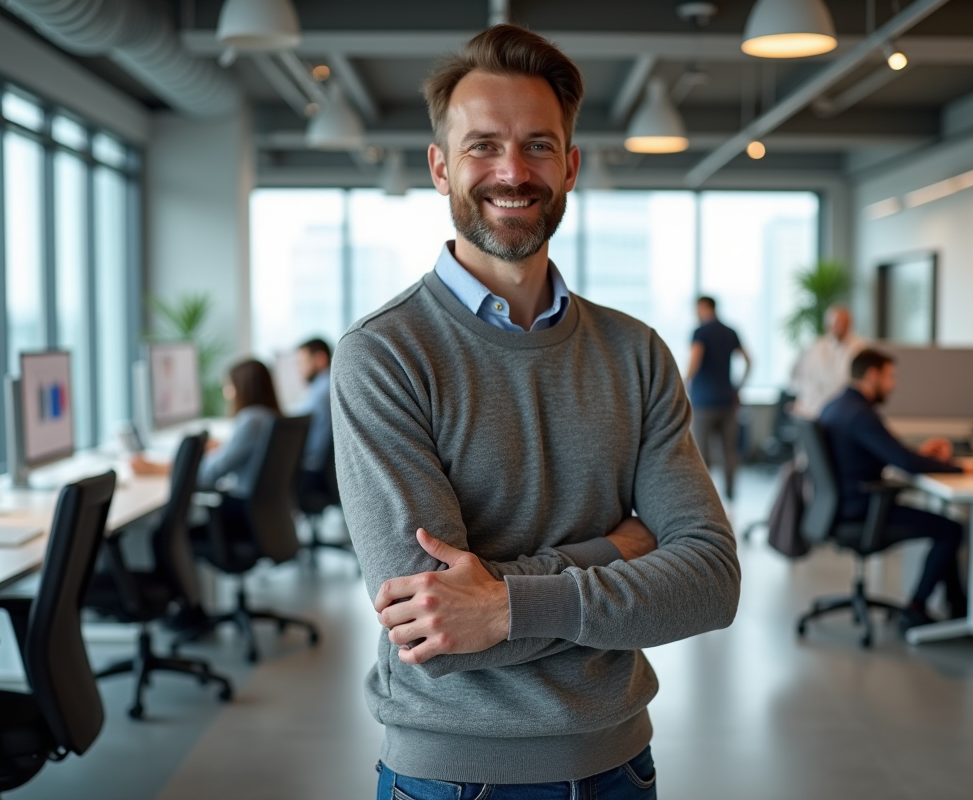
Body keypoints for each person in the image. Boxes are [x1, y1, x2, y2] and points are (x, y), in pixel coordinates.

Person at [330, 25, 739, 799]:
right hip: (451, 778)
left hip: (621, 766)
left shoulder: (636, 352)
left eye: (538, 147)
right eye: (482, 146)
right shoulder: (384, 354)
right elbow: (438, 634)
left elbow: (711, 581)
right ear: (440, 167)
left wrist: (502, 601)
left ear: (572, 166)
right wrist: (619, 549)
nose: (512, 172)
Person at [819, 348, 973, 631]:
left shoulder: (836, 406)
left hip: (844, 507)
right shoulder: (861, 415)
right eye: (891, 377)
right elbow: (905, 463)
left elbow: (891, 453)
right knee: (951, 530)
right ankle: (916, 607)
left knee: (946, 527)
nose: (894, 384)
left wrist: (920, 453)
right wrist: (969, 468)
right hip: (863, 511)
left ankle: (960, 606)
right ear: (872, 375)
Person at [131, 359, 280, 496]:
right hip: (264, 509)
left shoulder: (250, 421)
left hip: (240, 510)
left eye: (230, 386)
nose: (226, 393)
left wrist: (155, 468)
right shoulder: (268, 417)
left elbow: (207, 475)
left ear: (243, 388)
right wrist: (224, 447)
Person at [686, 296, 751, 500]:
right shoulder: (730, 332)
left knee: (702, 454)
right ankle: (731, 495)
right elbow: (749, 361)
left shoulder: (700, 332)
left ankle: (706, 497)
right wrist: (738, 387)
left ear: (704, 308)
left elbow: (694, 362)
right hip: (727, 401)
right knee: (729, 452)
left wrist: (682, 384)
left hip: (704, 402)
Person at [790, 304, 867, 419]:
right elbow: (799, 377)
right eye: (837, 322)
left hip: (847, 409)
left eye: (844, 322)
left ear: (850, 324)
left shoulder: (861, 348)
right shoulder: (815, 347)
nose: (840, 326)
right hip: (816, 407)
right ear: (829, 325)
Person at [294, 338, 333, 495]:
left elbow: (307, 445)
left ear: (320, 359)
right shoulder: (330, 385)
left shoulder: (320, 393)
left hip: (315, 475)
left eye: (301, 362)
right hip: (328, 474)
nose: (299, 369)